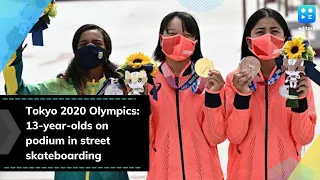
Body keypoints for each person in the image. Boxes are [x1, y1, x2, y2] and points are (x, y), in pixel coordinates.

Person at [3, 24, 129, 180]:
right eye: (83, 44)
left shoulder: (123, 87)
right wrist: (14, 53)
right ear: (75, 51)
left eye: (97, 44)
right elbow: (17, 94)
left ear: (107, 50)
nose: (90, 47)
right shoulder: (59, 87)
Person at [225, 8, 317, 180]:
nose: (268, 37)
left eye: (274, 31)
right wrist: (242, 97)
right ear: (249, 41)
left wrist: (301, 101)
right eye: (260, 32)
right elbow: (234, 135)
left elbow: (304, 137)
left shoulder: (297, 80)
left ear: (285, 40)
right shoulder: (234, 81)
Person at [147, 11, 226, 180]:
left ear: (195, 42)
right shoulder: (147, 81)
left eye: (186, 35)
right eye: (172, 34)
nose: (179, 39)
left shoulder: (208, 80)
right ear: (161, 39)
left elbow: (216, 137)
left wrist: (213, 95)